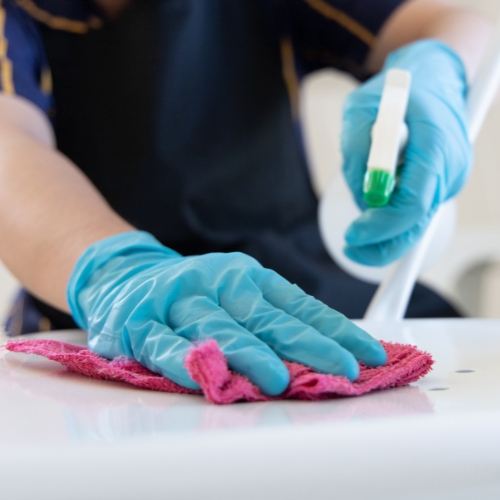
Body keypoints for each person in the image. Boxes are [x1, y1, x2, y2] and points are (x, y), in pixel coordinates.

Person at [0, 0, 491, 395]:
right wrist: (115, 271)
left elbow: (444, 21)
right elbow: (9, 148)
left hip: (306, 285)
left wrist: (434, 67)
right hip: (114, 315)